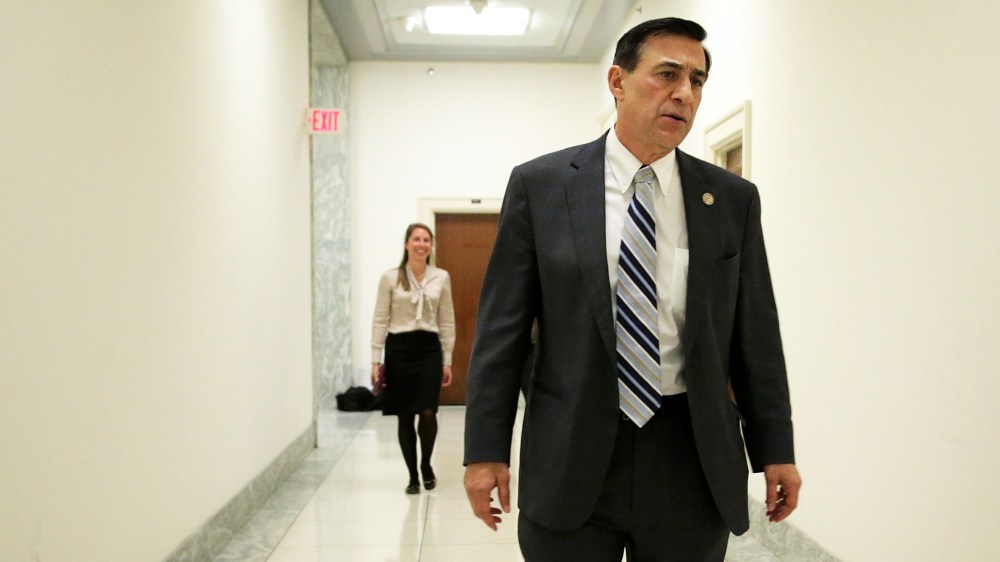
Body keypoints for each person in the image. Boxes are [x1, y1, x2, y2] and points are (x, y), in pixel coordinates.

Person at [463, 17, 801, 561]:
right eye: (667, 74)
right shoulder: (542, 187)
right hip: (570, 452)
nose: (684, 93)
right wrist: (485, 451)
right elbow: (501, 332)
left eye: (697, 80)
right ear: (618, 81)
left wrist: (775, 448)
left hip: (690, 457)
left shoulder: (730, 200)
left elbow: (755, 335)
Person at [371, 223, 455, 494]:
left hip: (428, 349)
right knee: (405, 415)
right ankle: (412, 476)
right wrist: (375, 358)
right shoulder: (390, 278)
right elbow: (380, 319)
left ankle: (426, 464)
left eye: (426, 240)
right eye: (416, 239)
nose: (421, 244)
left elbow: (446, 319)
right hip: (399, 348)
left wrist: (447, 359)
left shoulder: (440, 277)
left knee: (428, 411)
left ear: (431, 246)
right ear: (407, 244)